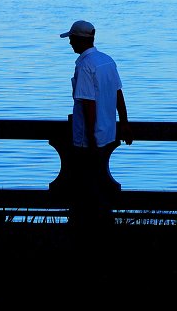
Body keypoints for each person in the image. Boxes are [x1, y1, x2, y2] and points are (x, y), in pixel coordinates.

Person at [60, 19, 132, 229]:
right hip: (108, 134)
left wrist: (90, 137)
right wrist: (125, 123)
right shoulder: (107, 61)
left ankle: (92, 228)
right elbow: (118, 93)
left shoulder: (84, 66)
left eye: (72, 39)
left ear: (80, 40)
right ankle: (103, 223)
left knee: (87, 188)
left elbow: (87, 103)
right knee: (100, 183)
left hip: (87, 141)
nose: (70, 43)